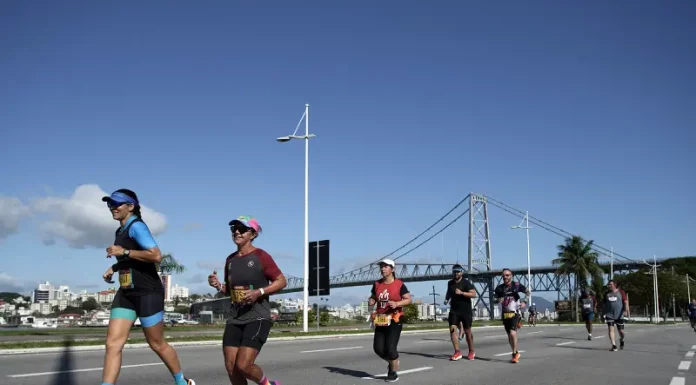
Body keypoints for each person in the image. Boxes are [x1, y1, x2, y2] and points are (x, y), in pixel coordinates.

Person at [100, 189, 195, 385]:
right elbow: (132, 259)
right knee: (112, 344)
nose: (112, 208)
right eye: (110, 204)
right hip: (126, 293)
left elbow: (155, 255)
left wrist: (123, 251)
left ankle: (182, 382)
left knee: (156, 343)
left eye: (117, 203)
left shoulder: (137, 227)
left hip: (147, 293)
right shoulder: (120, 230)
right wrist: (115, 266)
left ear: (131, 206)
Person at [208, 216, 286, 385]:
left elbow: (281, 281)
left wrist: (260, 292)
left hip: (257, 318)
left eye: (242, 229)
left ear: (253, 234)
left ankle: (267, 384)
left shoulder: (261, 256)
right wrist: (217, 285)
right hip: (235, 318)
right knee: (231, 367)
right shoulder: (230, 260)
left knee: (243, 365)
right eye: (234, 228)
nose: (237, 232)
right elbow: (231, 291)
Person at [368, 258, 412, 383]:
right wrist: (372, 300)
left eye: (386, 266)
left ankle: (392, 372)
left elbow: (408, 299)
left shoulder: (399, 284)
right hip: (381, 318)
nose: (382, 269)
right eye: (381, 267)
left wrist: (397, 303)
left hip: (395, 318)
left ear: (392, 269)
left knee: (390, 348)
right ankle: (393, 361)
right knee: (378, 349)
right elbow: (373, 296)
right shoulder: (377, 284)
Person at [494, 268, 529, 364]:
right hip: (505, 314)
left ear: (511, 275)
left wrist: (524, 301)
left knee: (513, 333)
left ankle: (514, 354)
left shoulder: (516, 285)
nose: (505, 277)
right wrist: (498, 300)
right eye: (504, 275)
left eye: (507, 275)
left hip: (515, 312)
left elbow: (528, 292)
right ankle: (516, 352)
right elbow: (493, 300)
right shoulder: (499, 288)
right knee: (509, 336)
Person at [443, 264, 476, 361]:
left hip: (466, 311)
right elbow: (448, 292)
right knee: (452, 329)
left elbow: (474, 294)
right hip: (454, 310)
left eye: (458, 271)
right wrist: (446, 299)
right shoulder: (450, 283)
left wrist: (462, 293)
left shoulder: (466, 283)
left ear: (462, 272)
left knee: (467, 332)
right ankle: (457, 352)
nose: (456, 273)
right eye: (454, 271)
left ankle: (471, 351)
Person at [603, 280, 627, 351]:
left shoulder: (621, 292)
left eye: (610, 284)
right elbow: (604, 305)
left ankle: (622, 339)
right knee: (611, 329)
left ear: (614, 285)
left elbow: (625, 301)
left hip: (619, 314)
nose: (609, 286)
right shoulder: (606, 294)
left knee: (621, 332)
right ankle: (614, 345)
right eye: (608, 284)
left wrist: (625, 310)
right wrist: (602, 314)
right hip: (609, 314)